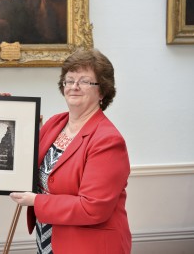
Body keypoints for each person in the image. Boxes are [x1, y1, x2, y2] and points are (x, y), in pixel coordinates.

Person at [10, 49, 132, 254]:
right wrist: (7, 112)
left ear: (102, 91)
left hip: (88, 244)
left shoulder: (108, 140)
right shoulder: (55, 123)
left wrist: (36, 201)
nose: (74, 87)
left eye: (84, 81)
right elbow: (25, 158)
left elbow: (92, 208)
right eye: (69, 80)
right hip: (49, 235)